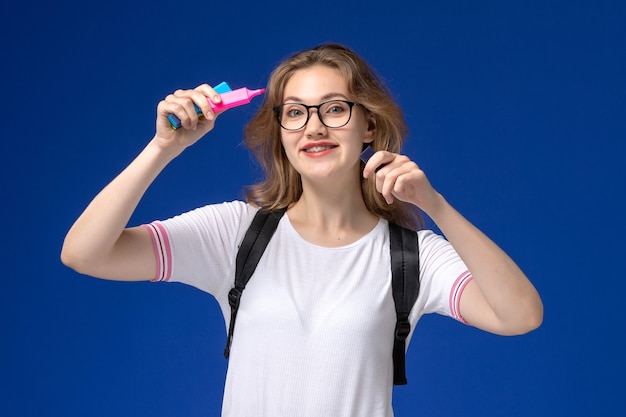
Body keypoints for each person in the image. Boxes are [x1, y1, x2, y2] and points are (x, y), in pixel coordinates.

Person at [61, 43, 543, 416]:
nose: (314, 127)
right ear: (282, 132)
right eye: (295, 112)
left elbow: (520, 315)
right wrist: (162, 148)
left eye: (334, 108)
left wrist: (434, 205)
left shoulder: (413, 258)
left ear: (369, 125)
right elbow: (85, 254)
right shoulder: (234, 234)